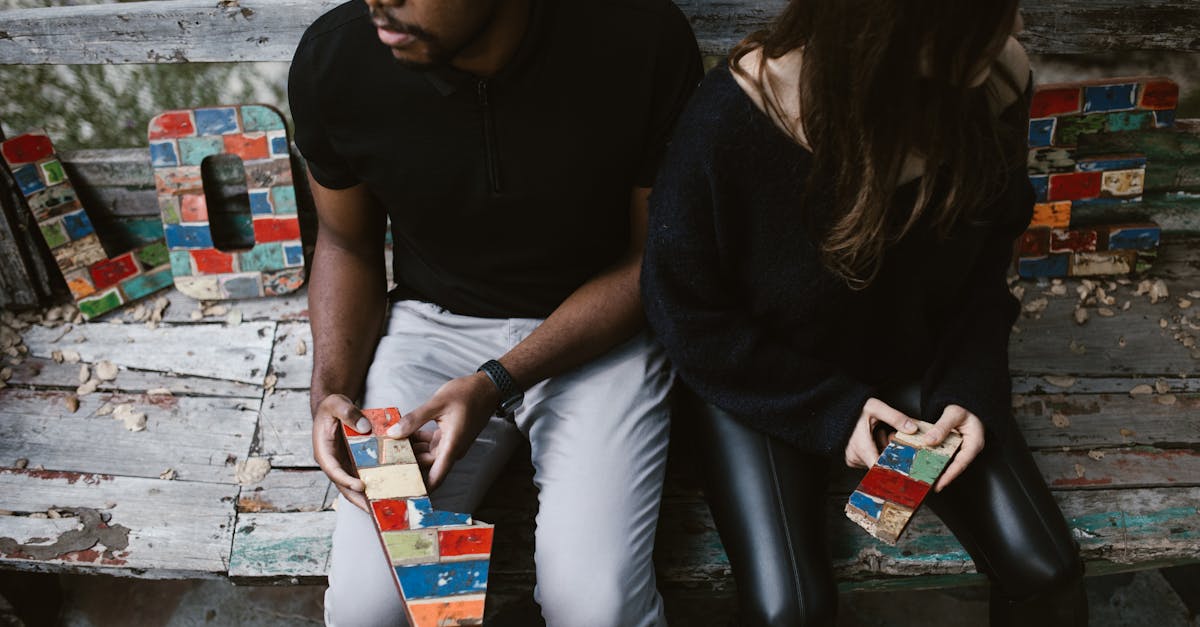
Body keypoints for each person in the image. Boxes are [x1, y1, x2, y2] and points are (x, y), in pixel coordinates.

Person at [640, 1, 1088, 625]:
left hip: (913, 357)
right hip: (763, 373)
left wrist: (972, 386)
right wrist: (829, 410)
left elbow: (984, 273)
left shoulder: (996, 84)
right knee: (789, 610)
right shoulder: (735, 116)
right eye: (990, 14)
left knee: (1047, 571)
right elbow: (685, 312)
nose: (1016, 29)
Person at [287, 0, 701, 624]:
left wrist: (494, 383)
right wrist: (331, 392)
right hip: (431, 328)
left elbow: (651, 259)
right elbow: (347, 243)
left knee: (594, 608)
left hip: (599, 336)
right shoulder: (337, 58)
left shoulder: (638, 34)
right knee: (372, 607)